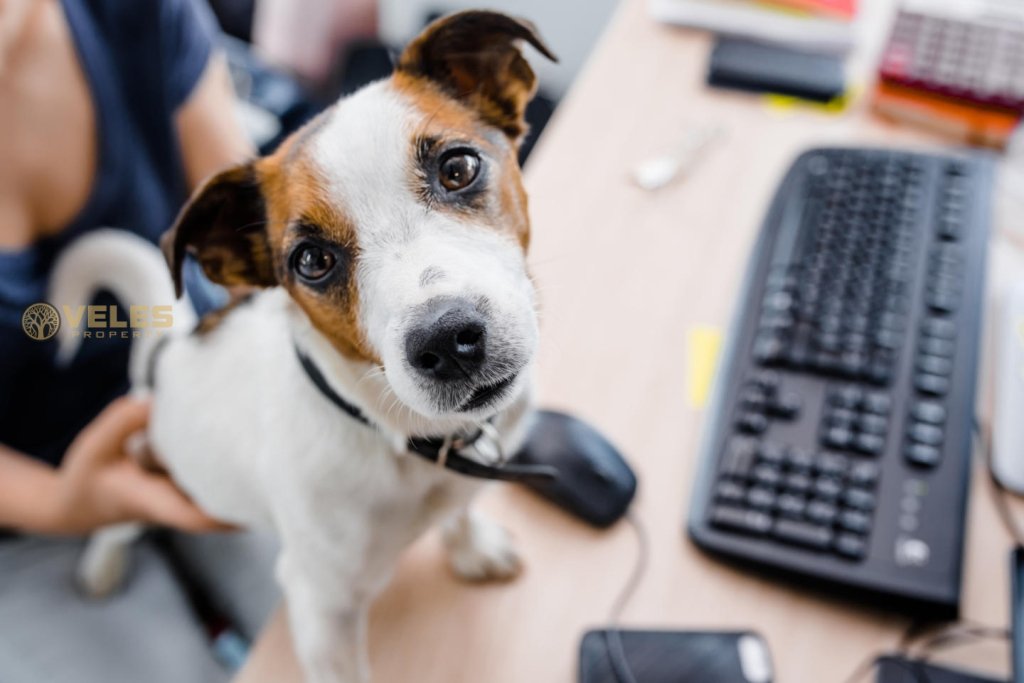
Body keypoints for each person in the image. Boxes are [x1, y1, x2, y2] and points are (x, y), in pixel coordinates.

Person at [0, 1, 277, 681]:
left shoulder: (137, 15)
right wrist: (64, 503)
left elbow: (256, 256)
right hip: (25, 516)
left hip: (203, 394)